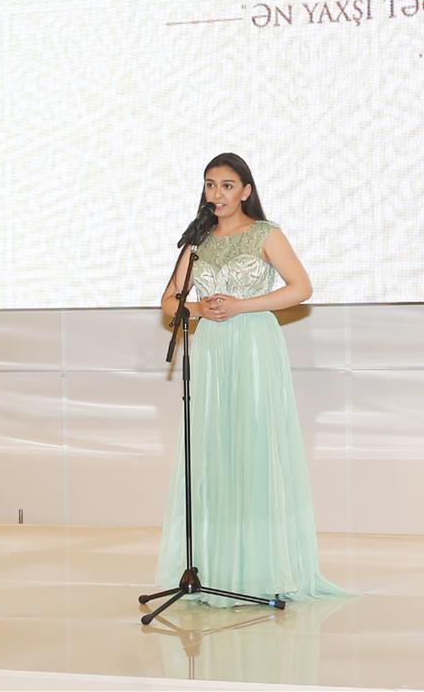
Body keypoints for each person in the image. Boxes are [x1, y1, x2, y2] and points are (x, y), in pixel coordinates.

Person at [152, 152, 349, 606]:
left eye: (226, 185)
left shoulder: (265, 233)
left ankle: (261, 569)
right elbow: (169, 300)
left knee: (253, 446)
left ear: (245, 191)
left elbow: (301, 288)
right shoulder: (197, 241)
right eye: (210, 184)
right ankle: (217, 566)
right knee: (215, 450)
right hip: (212, 348)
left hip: (254, 345)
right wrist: (199, 308)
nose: (216, 193)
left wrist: (241, 306)